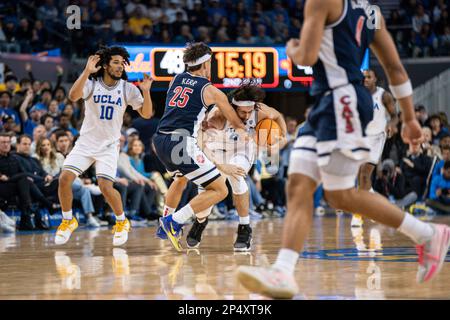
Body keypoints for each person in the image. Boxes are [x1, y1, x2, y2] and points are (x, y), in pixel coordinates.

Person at [236, 0, 450, 299]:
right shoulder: (370, 11)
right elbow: (395, 69)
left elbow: (306, 56)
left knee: (341, 195)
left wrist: (293, 46)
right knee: (299, 185)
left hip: (343, 102)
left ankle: (428, 234)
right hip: (328, 103)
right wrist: (410, 118)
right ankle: (282, 271)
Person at [152, 42, 249, 251]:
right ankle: (174, 222)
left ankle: (164, 223)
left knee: (180, 179)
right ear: (206, 63)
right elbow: (235, 121)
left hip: (160, 140)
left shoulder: (175, 79)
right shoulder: (211, 91)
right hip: (182, 143)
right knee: (220, 189)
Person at [55, 46, 153, 246]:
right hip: (85, 143)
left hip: (109, 145)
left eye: (122, 63)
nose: (119, 66)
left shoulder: (127, 88)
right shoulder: (91, 83)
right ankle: (67, 220)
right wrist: (86, 71)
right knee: (64, 179)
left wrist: (146, 91)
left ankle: (121, 221)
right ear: (106, 65)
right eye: (115, 62)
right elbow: (73, 96)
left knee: (105, 186)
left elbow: (146, 114)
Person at [170, 82, 287, 251]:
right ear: (232, 108)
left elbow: (277, 117)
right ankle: (201, 221)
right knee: (207, 193)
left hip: (242, 150)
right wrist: (220, 165)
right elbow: (200, 144)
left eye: (249, 112)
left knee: (237, 175)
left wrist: (281, 137)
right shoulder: (217, 116)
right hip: (215, 150)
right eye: (242, 112)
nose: (247, 116)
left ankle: (244, 227)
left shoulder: (260, 111)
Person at [351, 69, 397, 228]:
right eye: (364, 77)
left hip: (377, 137)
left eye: (369, 77)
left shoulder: (384, 96)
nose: (366, 79)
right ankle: (377, 207)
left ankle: (358, 213)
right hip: (362, 136)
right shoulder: (357, 95)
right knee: (361, 177)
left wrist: (391, 125)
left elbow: (394, 115)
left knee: (364, 174)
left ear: (375, 79)